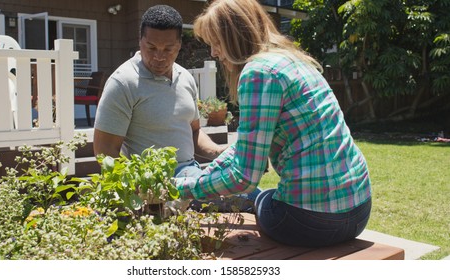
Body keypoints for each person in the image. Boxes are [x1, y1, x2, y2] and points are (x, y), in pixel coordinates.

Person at [173, 0, 372, 247]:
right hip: (360, 211)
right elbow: (250, 142)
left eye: (216, 42)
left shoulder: (258, 73)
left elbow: (244, 178)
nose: (214, 52)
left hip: (310, 222)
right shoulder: (293, 60)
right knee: (258, 195)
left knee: (259, 198)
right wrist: (209, 172)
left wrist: (179, 189)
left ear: (235, 37)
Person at [94, 5, 249, 211]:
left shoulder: (185, 77)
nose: (159, 56)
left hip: (189, 173)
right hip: (153, 181)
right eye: (151, 48)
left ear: (179, 45)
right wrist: (138, 194)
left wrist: (217, 151)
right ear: (140, 41)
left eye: (168, 49)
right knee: (246, 200)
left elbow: (193, 130)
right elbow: (105, 151)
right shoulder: (124, 82)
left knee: (248, 193)